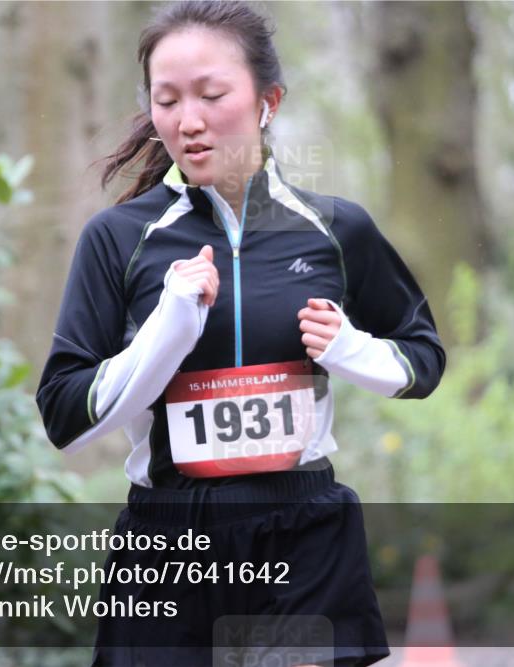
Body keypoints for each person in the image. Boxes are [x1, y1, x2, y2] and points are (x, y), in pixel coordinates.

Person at [35, 2, 446, 665]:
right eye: (166, 100)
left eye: (211, 95)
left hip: (303, 534)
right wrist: (166, 332)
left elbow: (423, 357)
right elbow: (63, 413)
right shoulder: (118, 239)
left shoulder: (336, 230)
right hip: (167, 543)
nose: (187, 121)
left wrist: (351, 349)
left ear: (268, 101)